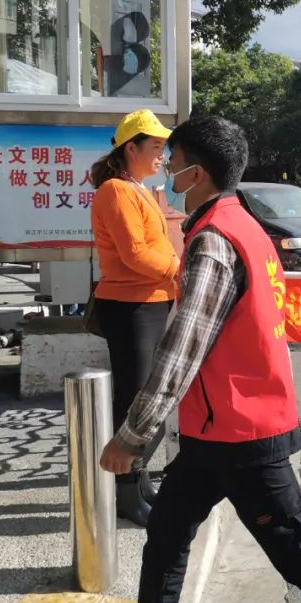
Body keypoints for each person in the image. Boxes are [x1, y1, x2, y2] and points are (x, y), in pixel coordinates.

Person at [99, 116, 301, 603]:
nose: (168, 174)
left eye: (175, 164)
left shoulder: (212, 241)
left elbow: (180, 352)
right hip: (215, 432)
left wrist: (131, 436)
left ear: (198, 174)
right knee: (165, 538)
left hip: (243, 436)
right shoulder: (243, 223)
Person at [90, 109, 181, 527]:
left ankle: (139, 484)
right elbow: (136, 254)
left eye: (164, 148)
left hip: (150, 303)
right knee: (135, 402)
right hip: (132, 308)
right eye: (157, 147)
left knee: (148, 398)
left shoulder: (139, 189)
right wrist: (180, 269)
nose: (163, 155)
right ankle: (127, 495)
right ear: (132, 148)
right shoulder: (116, 191)